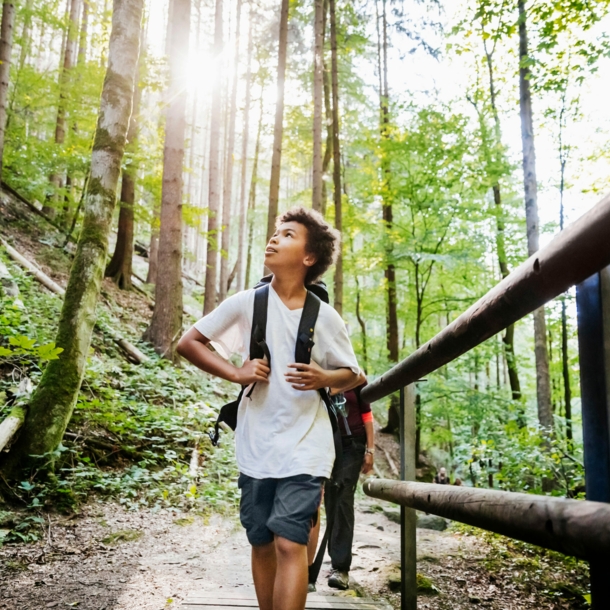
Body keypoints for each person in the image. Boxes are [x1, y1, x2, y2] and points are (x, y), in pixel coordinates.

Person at [177, 206, 360, 610]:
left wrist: (323, 378)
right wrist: (236, 372)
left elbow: (354, 375)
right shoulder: (246, 303)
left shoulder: (324, 317)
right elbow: (188, 343)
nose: (275, 238)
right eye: (277, 232)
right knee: (261, 540)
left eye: (289, 235)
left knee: (290, 540)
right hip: (257, 442)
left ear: (309, 257)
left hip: (308, 445)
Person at [325, 380, 375, 590]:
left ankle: (341, 567)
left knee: (344, 497)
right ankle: (333, 557)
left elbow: (367, 414)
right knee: (330, 499)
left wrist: (370, 450)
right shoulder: (320, 373)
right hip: (327, 443)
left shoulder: (356, 377)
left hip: (353, 443)